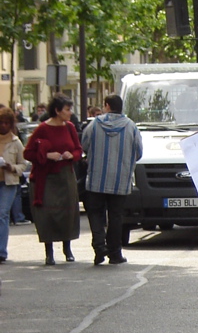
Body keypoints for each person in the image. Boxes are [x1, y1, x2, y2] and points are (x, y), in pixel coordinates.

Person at [80, 93, 143, 265]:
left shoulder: (94, 125)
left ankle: (99, 247)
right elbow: (139, 152)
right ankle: (115, 253)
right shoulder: (131, 127)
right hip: (120, 180)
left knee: (95, 213)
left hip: (96, 179)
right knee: (115, 216)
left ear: (107, 105)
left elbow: (84, 145)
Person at [23, 93, 82, 264]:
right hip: (46, 177)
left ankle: (67, 248)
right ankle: (49, 252)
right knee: (47, 214)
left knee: (67, 212)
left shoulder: (70, 127)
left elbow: (78, 150)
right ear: (57, 111)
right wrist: (47, 155)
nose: (70, 112)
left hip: (65, 175)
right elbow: (28, 152)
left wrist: (72, 155)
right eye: (67, 109)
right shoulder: (42, 129)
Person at [0, 107, 28, 263]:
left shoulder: (15, 142)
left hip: (8, 182)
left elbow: (23, 165)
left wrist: (11, 167)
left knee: (2, 214)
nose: (3, 125)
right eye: (1, 123)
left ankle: (1, 251)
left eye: (6, 123)